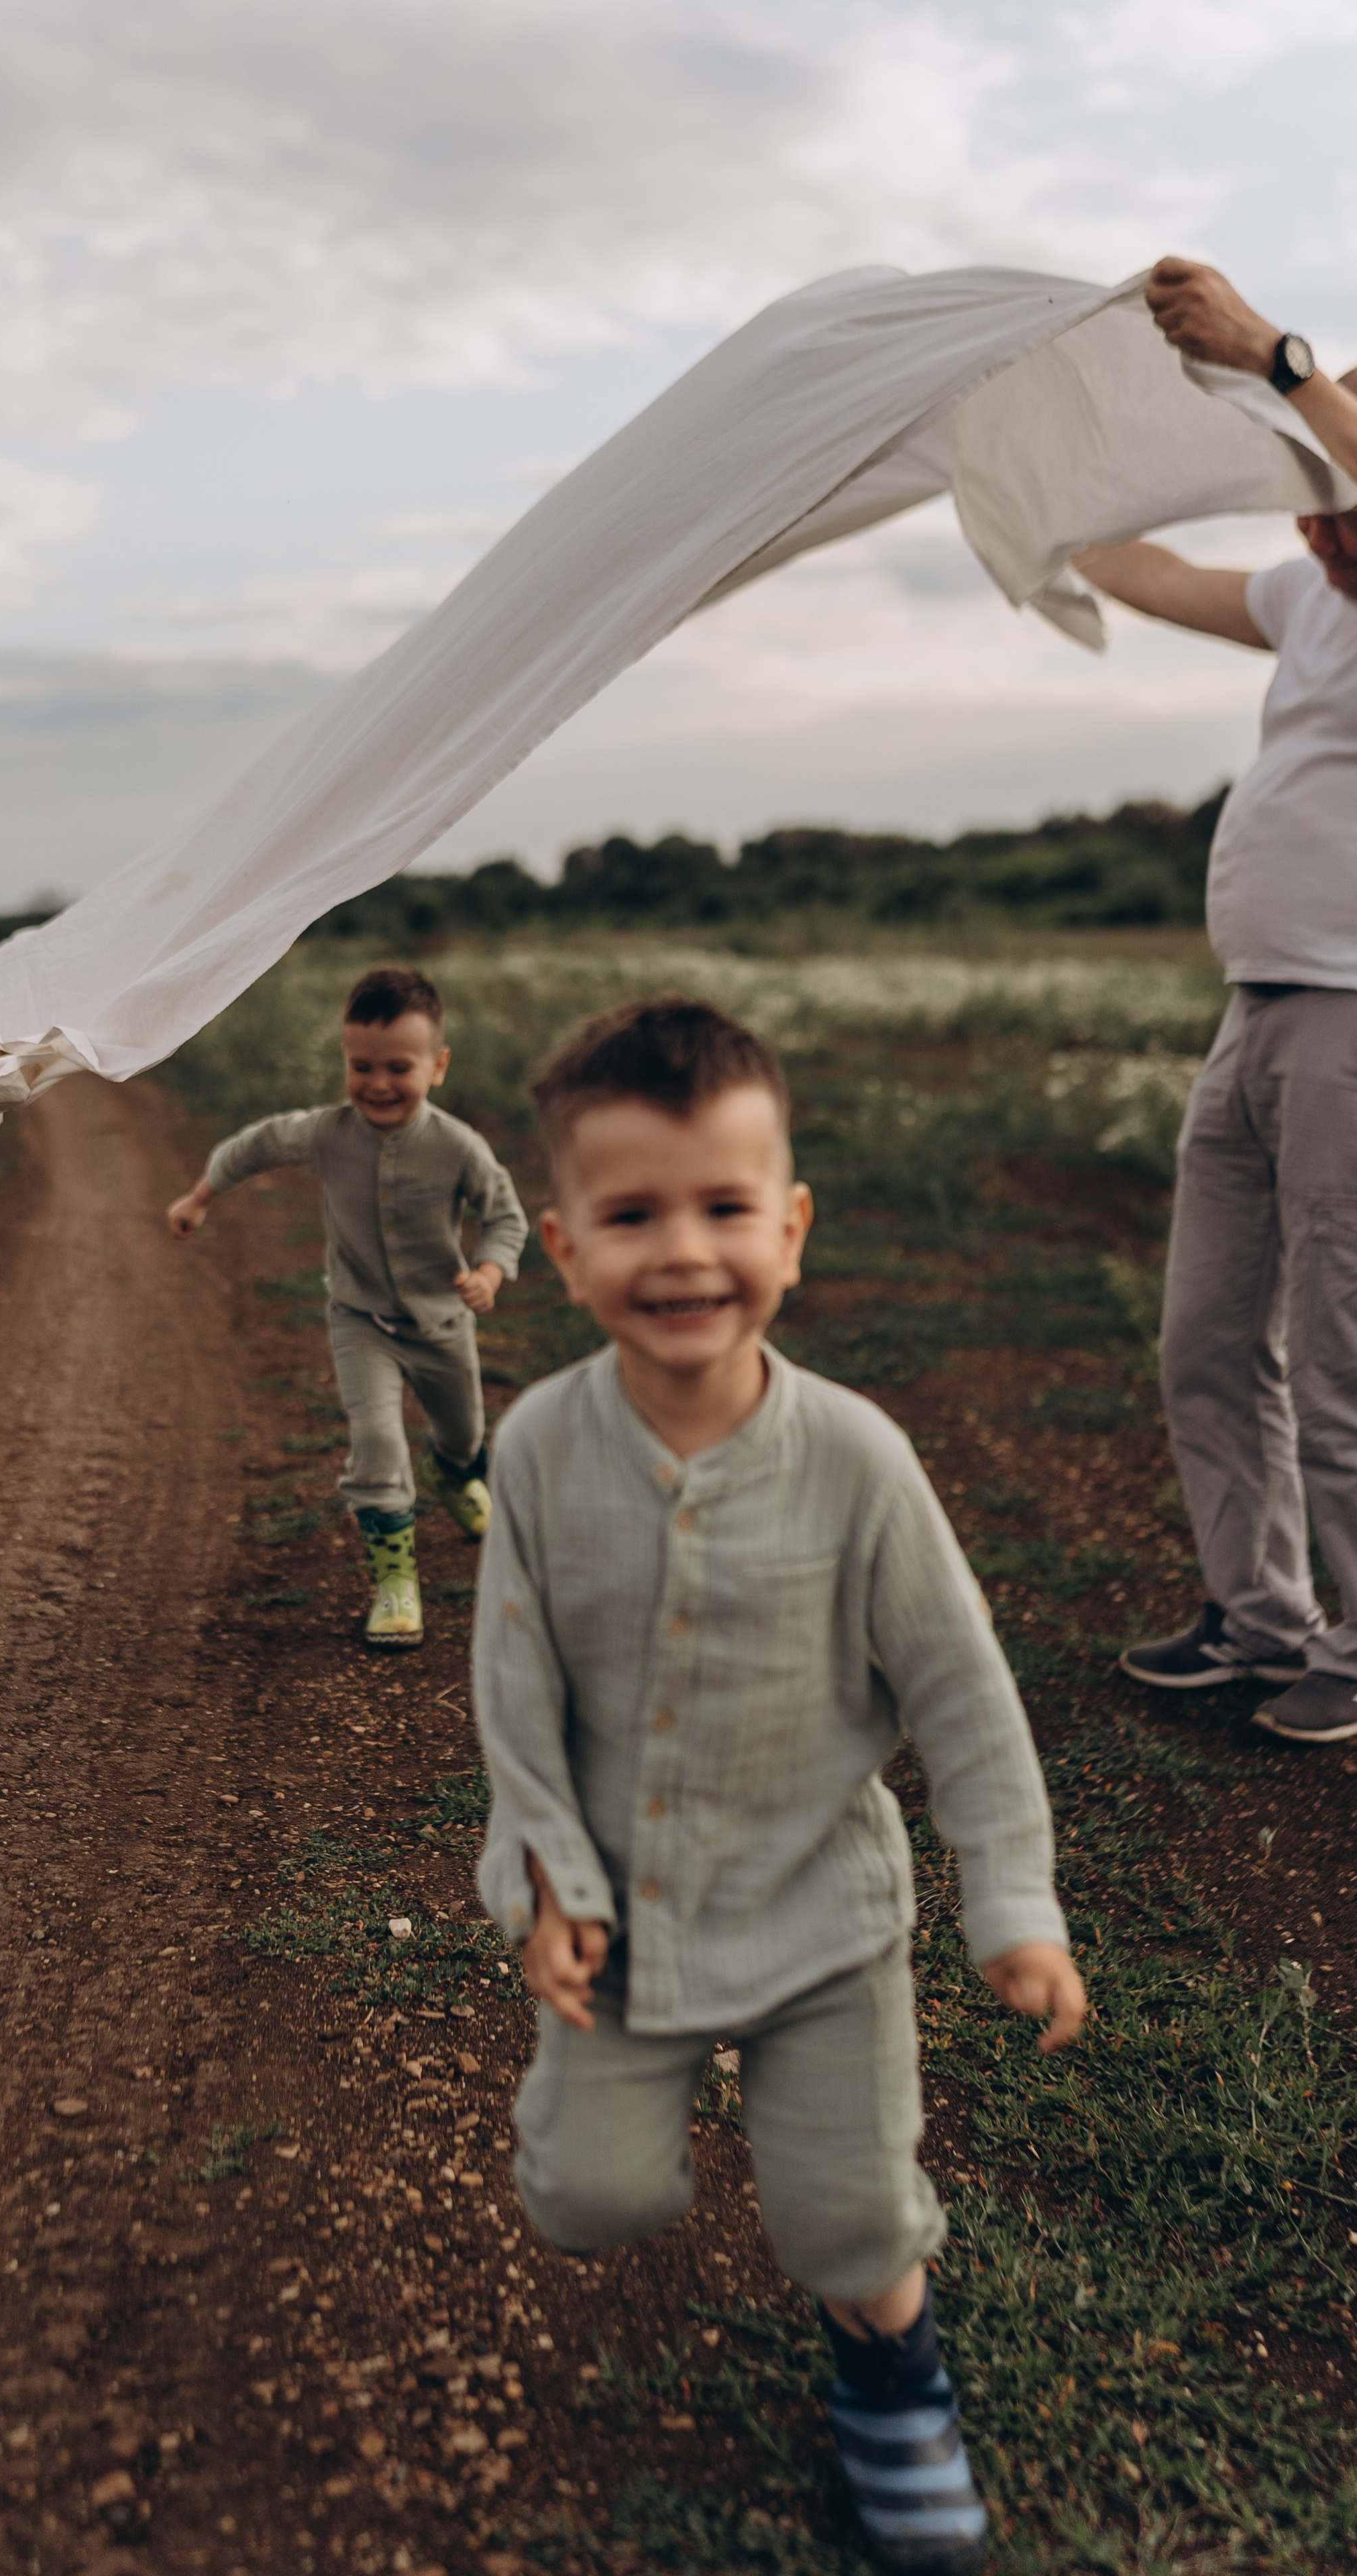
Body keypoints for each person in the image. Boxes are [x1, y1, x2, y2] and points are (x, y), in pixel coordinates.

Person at [472, 995, 1083, 2576]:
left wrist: (1009, 1902)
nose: (681, 1252)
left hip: (823, 1920)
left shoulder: (857, 1460)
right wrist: (539, 1877)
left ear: (789, 1228)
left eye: (723, 1207)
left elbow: (959, 1692)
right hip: (622, 1925)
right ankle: (607, 2111)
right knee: (588, 2196)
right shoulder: (536, 1447)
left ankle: (891, 2381)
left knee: (846, 2217)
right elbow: (513, 1688)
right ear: (563, 1244)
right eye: (630, 1214)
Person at [1075, 256, 1357, 1746]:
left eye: (1341, 504)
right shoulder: (1306, 595)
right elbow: (1138, 572)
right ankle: (1256, 1618)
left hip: (1354, 1026)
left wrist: (1272, 353)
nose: (1316, 533)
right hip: (1250, 1018)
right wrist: (1019, 453)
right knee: (1207, 1336)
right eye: (1303, 506)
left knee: (1343, 1351)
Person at [167, 964, 528, 1649]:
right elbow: (258, 1144)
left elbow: (505, 1215)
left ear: (438, 1066)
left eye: (400, 1066)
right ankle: (395, 1584)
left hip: (443, 1324)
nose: (380, 1083)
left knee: (464, 1435)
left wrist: (489, 1269)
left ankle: (453, 1476)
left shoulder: (458, 1147)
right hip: (360, 1323)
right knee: (377, 1442)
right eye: (363, 1066)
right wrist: (200, 1196)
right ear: (344, 1060)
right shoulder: (328, 1133)